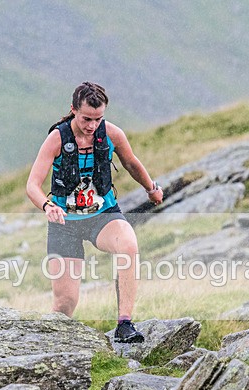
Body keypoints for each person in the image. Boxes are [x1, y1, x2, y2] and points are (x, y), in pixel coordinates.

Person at [26, 81, 163, 343]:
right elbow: (32, 185)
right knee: (65, 302)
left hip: (102, 215)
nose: (91, 125)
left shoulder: (111, 134)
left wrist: (151, 188)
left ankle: (125, 325)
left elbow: (131, 163)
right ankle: (52, 345)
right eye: (86, 118)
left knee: (129, 245)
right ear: (73, 110)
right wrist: (47, 205)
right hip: (64, 221)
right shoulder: (56, 139)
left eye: (98, 119)